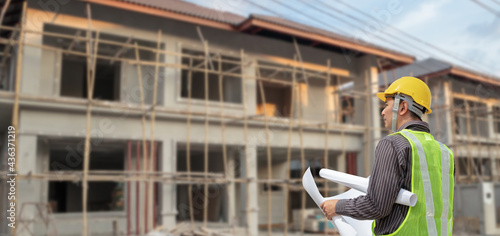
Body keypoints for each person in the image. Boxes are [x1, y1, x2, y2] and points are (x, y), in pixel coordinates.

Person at [320, 76, 454, 235]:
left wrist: (336, 206)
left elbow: (376, 205)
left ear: (403, 107)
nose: (382, 111)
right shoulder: (445, 152)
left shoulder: (393, 143)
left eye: (387, 104)